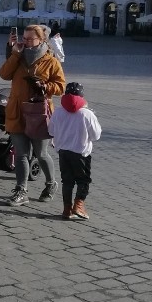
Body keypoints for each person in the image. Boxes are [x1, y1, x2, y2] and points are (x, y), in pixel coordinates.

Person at [0, 23, 66, 206]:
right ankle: (21, 191)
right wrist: (14, 52)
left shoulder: (51, 61)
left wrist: (45, 86)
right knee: (21, 154)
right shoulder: (18, 56)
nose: (26, 42)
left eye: (30, 39)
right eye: (24, 38)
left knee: (41, 153)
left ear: (41, 39)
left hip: (38, 113)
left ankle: (51, 184)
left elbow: (61, 87)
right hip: (17, 110)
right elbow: (4, 74)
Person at [49, 82, 101, 220]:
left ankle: (67, 209)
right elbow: (96, 135)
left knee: (67, 181)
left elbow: (51, 131)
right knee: (83, 180)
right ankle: (78, 206)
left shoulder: (58, 112)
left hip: (63, 152)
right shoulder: (87, 114)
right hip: (81, 153)